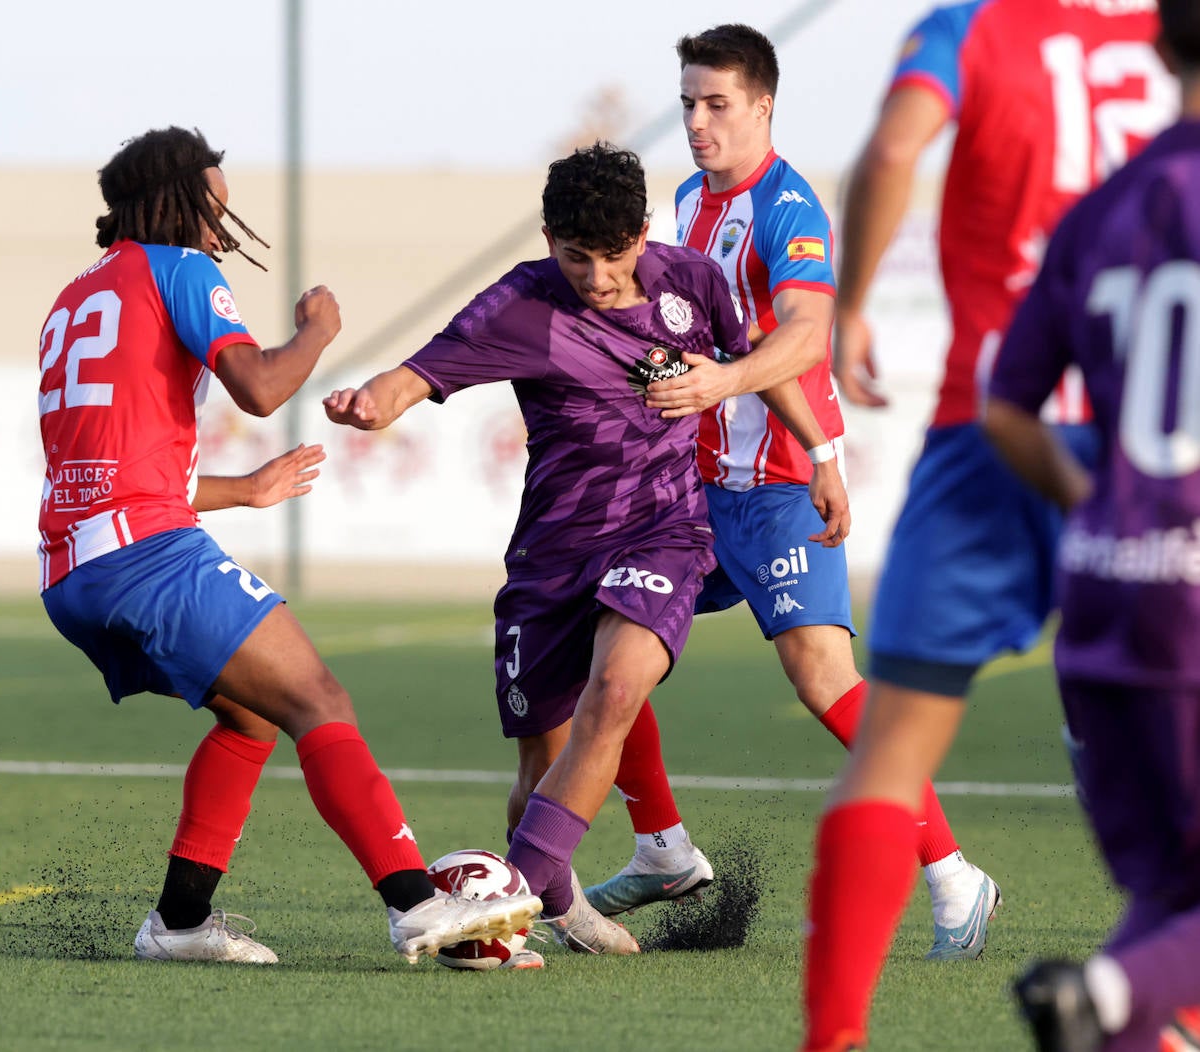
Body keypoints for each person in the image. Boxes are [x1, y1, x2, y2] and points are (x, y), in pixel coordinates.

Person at [36, 126, 540, 967]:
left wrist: (245, 490)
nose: (217, 229)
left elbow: (107, 469)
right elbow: (262, 387)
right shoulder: (182, 270)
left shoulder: (72, 299)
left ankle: (182, 920)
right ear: (172, 201)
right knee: (320, 700)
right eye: (212, 208)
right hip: (148, 556)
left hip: (72, 569)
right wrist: (317, 329)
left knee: (251, 714)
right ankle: (416, 903)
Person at [324, 142, 839, 956]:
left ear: (642, 233)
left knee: (620, 685)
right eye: (575, 258)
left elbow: (752, 365)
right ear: (547, 238)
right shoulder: (521, 304)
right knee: (538, 769)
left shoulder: (693, 281)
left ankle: (503, 901)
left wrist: (820, 450)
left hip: (664, 529)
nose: (596, 277)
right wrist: (369, 403)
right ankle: (560, 903)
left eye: (612, 257)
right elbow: (418, 372)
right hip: (552, 558)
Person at [799, 2, 1176, 1048]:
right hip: (1153, 445)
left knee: (891, 750)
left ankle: (830, 1038)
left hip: (992, 423)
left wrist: (855, 302)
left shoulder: (975, 27)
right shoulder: (1165, 35)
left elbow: (890, 151)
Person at [582, 21, 996, 962]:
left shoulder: (789, 208)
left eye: (716, 104)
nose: (696, 122)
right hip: (694, 482)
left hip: (773, 480)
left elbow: (804, 336)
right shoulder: (686, 198)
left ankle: (954, 877)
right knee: (603, 633)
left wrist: (808, 444)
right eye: (688, 102)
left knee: (822, 679)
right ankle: (659, 846)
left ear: (762, 106)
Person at [983, 2, 1200, 1047]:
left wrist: (1100, 512)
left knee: (1168, 896)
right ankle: (1105, 995)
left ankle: (1112, 1010)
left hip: (1109, 583)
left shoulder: (1104, 207)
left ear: (1158, 45)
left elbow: (1006, 410)